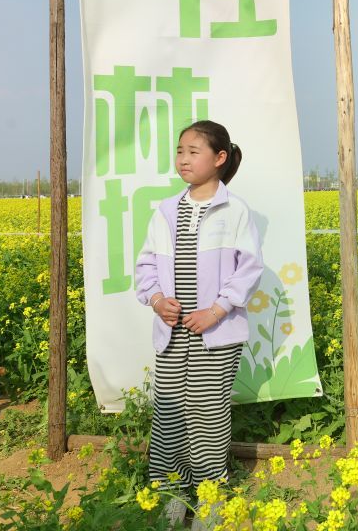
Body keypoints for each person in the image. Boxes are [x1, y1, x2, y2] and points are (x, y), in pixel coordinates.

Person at [135, 120, 263, 522]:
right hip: (173, 334)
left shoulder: (235, 209)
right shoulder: (166, 210)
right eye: (179, 151)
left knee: (207, 413)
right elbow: (145, 266)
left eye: (193, 151)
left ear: (219, 158)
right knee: (170, 410)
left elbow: (250, 268)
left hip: (216, 334)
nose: (183, 159)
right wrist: (157, 300)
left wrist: (217, 310)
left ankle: (209, 495)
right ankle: (172, 490)